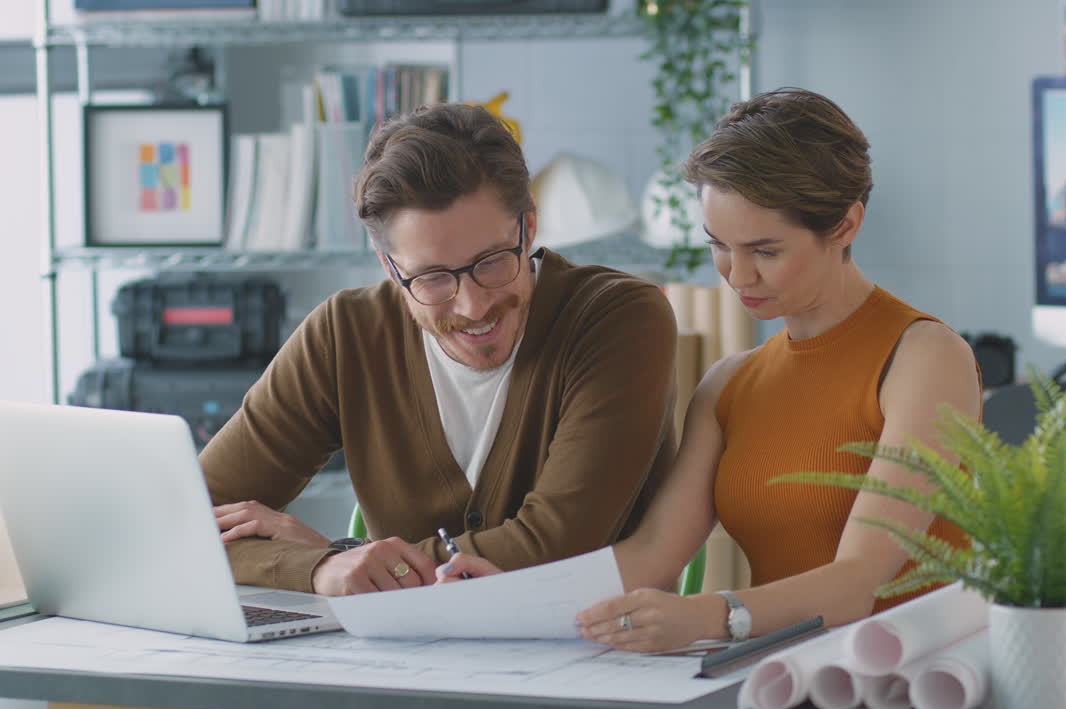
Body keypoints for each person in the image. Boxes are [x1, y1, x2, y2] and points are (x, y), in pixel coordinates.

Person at [440, 88, 982, 652]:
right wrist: (509, 595)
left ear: (845, 225)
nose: (737, 276)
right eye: (719, 245)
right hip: (780, 675)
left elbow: (857, 585)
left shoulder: (924, 357)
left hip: (916, 677)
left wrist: (709, 615)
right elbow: (651, 556)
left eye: (765, 251)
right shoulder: (728, 384)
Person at [203, 103, 678, 597]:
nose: (473, 306)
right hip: (399, 646)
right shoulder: (346, 334)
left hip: (593, 640)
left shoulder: (619, 319)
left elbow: (555, 547)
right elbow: (190, 520)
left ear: (529, 228)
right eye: (432, 277)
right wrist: (319, 567)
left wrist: (347, 557)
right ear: (389, 267)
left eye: (492, 261)